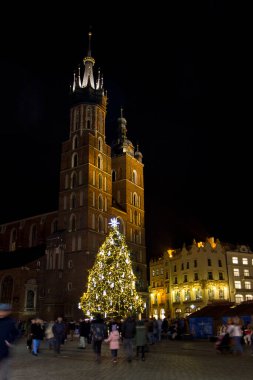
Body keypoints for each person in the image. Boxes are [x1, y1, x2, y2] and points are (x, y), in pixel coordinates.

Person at [0, 303, 19, 380]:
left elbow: (16, 333)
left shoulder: (10, 322)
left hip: (4, 351)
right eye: (1, 310)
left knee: (4, 373)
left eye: (5, 311)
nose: (2, 312)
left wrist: (9, 341)